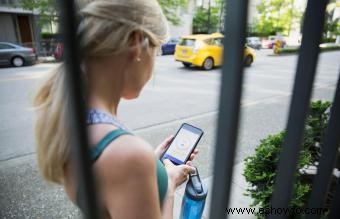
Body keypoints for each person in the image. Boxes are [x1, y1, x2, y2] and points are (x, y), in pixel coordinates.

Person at [33, 0, 198, 218]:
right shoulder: (128, 157)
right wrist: (167, 185)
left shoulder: (69, 123)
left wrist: (152, 165)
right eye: (156, 50)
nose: (154, 64)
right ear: (137, 43)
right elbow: (123, 168)